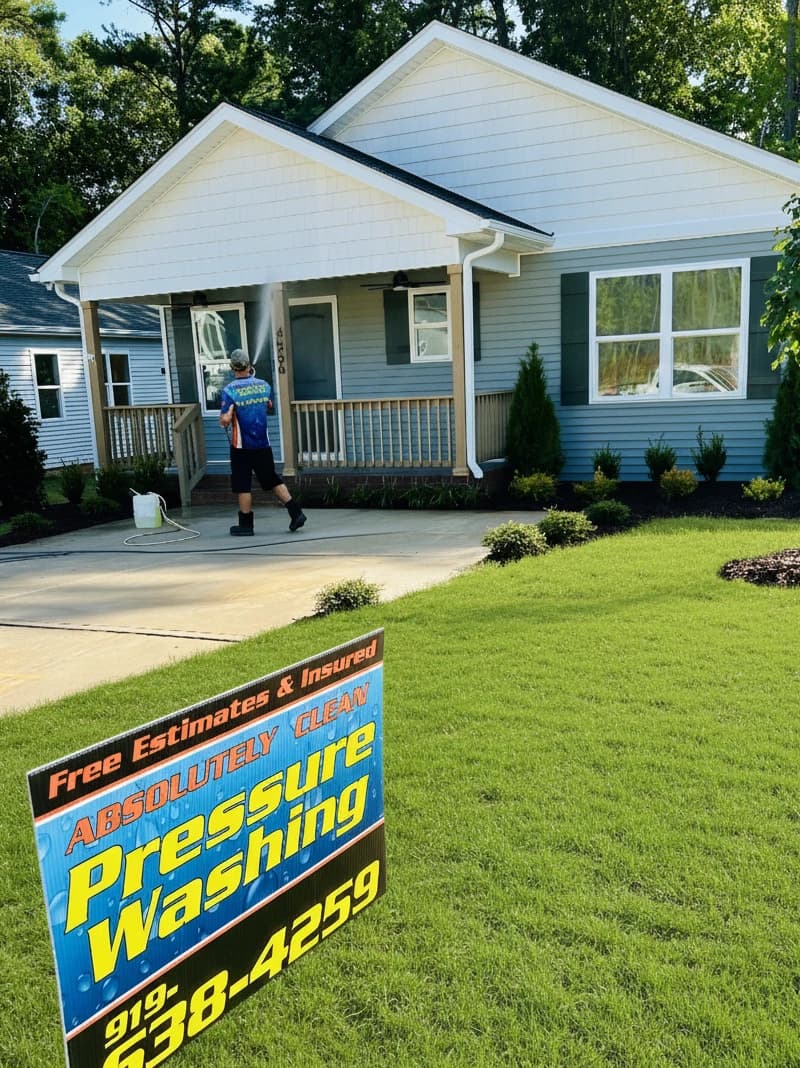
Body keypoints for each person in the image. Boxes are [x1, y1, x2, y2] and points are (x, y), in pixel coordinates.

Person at [218, 348, 306, 536]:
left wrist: (228, 415)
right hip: (263, 445)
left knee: (243, 484)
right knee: (272, 479)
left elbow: (225, 420)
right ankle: (296, 513)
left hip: (241, 447)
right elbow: (269, 405)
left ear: (233, 368)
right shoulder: (264, 386)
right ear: (249, 366)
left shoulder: (229, 391)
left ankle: (246, 525)